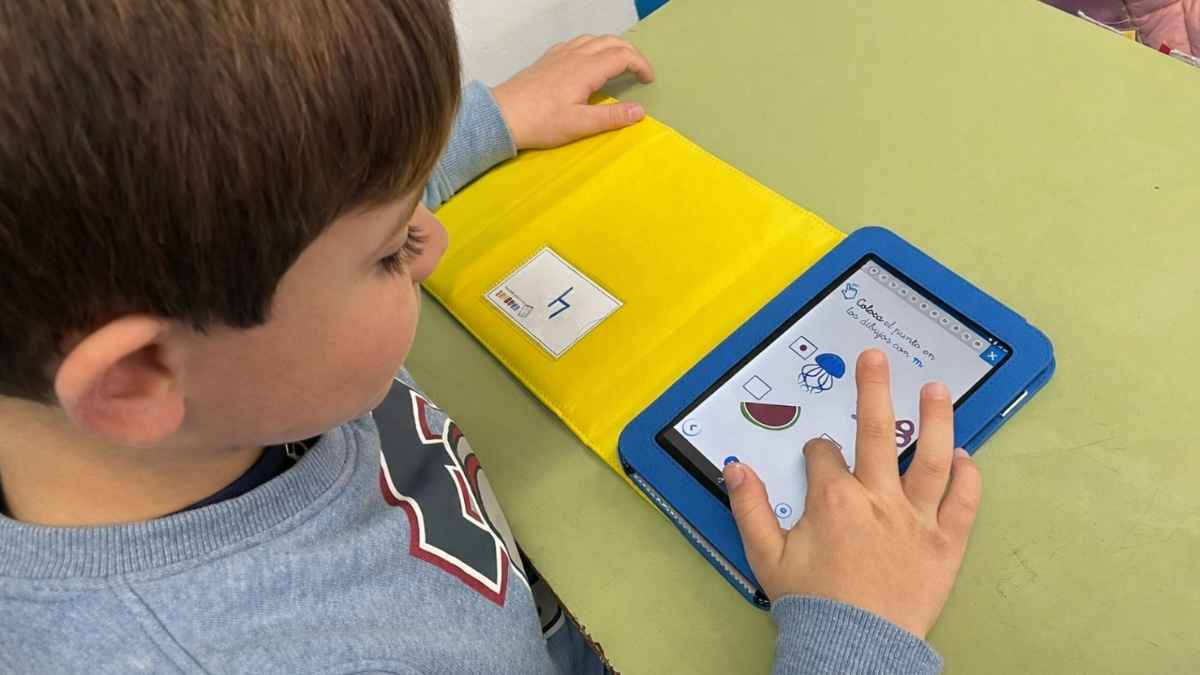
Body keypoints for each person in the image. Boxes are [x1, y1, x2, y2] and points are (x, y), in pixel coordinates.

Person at [0, 2, 981, 673]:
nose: (430, 241)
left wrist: (485, 123)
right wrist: (857, 634)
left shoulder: (108, 349)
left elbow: (265, 238)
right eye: (389, 254)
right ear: (136, 377)